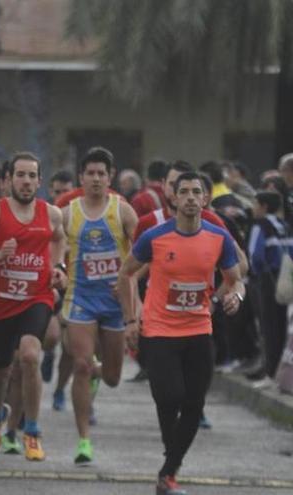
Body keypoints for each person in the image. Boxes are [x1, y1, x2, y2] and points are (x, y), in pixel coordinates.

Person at [118, 171, 244, 495]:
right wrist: (132, 320)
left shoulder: (218, 238)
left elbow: (235, 277)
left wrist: (235, 295)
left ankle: (168, 472)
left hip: (199, 328)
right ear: (173, 198)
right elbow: (126, 274)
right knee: (169, 396)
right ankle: (171, 463)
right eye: (183, 191)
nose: (189, 197)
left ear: (205, 199)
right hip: (159, 330)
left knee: (194, 402)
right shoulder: (155, 237)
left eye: (195, 192)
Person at [0, 152, 66, 462]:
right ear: (7, 181)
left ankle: (31, 430)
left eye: (32, 176)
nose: (26, 181)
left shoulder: (51, 213)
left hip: (35, 297)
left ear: (39, 181)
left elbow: (59, 238)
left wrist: (59, 267)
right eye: (20, 175)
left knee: (30, 356)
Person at [60, 147, 138, 466]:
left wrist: (126, 280)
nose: (95, 179)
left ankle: (96, 372)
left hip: (113, 303)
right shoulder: (67, 212)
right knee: (79, 363)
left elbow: (143, 257)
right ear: (81, 177)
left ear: (110, 177)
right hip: (80, 299)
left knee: (113, 378)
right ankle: (83, 441)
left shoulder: (123, 212)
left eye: (101, 174)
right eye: (90, 173)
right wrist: (57, 271)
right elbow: (52, 247)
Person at [246, 191, 293, 389]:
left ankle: (270, 373)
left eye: (255, 203)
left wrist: (256, 275)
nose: (253, 207)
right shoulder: (285, 225)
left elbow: (255, 255)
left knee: (268, 327)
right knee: (283, 326)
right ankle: (281, 373)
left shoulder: (260, 226)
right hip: (286, 278)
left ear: (263, 206)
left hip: (267, 281)